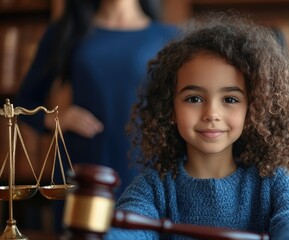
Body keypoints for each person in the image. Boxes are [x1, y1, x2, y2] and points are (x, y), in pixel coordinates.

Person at [105, 12, 289, 240]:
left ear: (253, 108)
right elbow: (127, 229)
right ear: (170, 109)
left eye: (230, 99)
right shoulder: (155, 187)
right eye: (194, 98)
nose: (211, 114)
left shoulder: (272, 182)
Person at [14, 0, 178, 197]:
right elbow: (23, 102)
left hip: (143, 164)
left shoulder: (167, 37)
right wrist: (56, 119)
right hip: (83, 162)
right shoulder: (68, 30)